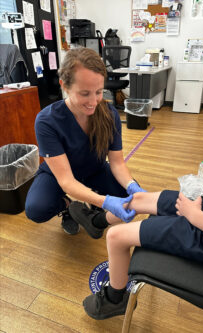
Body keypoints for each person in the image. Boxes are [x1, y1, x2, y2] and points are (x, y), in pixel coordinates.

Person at [81, 169, 203, 320]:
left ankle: (114, 299)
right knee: (139, 198)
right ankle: (97, 222)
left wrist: (195, 216)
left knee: (115, 237)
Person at [25, 47, 144, 235]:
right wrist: (104, 201)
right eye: (84, 93)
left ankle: (93, 214)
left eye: (99, 91)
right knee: (36, 209)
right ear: (64, 85)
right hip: (59, 175)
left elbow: (118, 163)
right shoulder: (47, 121)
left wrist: (132, 186)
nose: (94, 101)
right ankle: (67, 206)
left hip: (94, 169)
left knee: (128, 196)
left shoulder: (109, 114)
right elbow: (66, 180)